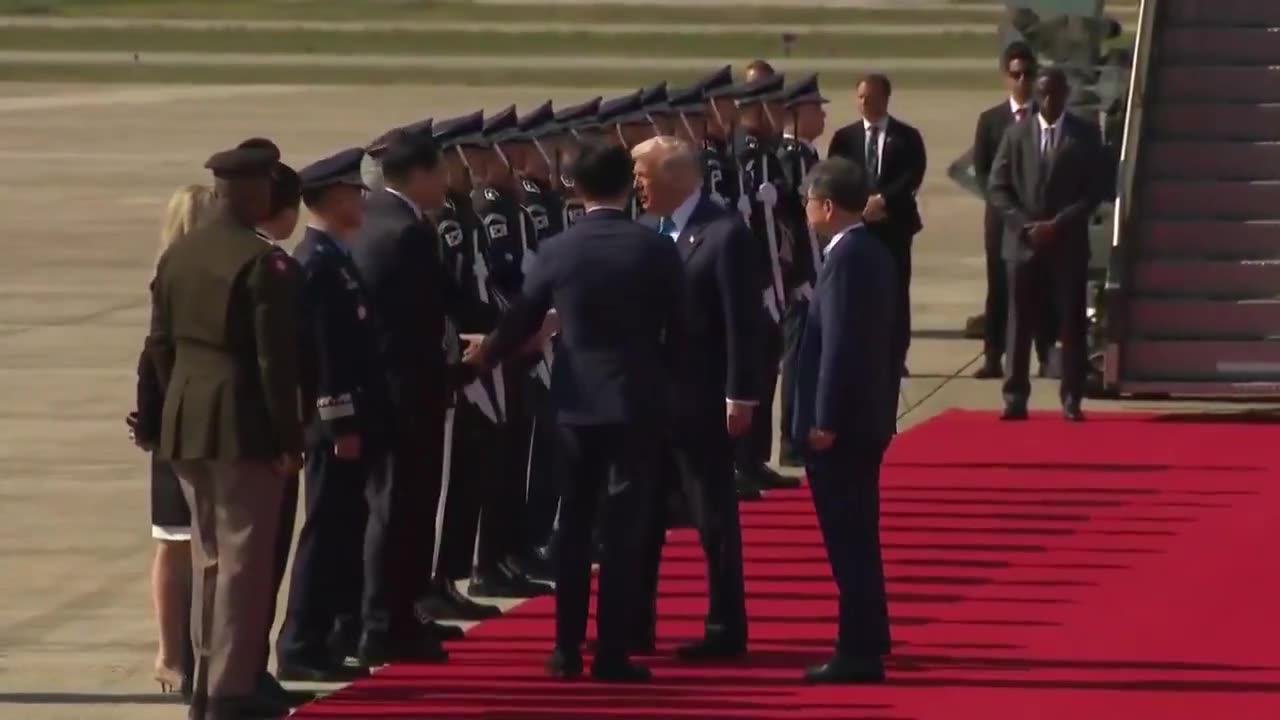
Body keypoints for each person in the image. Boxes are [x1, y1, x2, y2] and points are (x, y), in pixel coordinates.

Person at [464, 140, 683, 683]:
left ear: (576, 189)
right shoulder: (654, 247)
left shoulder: (560, 249)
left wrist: (483, 357)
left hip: (576, 404)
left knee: (576, 525)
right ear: (625, 186)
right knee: (624, 530)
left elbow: (522, 317)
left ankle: (565, 647)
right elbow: (685, 326)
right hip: (636, 402)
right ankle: (612, 651)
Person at [148, 140, 302, 720]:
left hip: (188, 421)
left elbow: (160, 345)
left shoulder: (181, 253)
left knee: (209, 557)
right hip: (243, 427)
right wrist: (289, 440)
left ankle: (202, 684)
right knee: (243, 563)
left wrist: (178, 403)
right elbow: (274, 363)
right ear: (256, 192)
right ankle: (231, 693)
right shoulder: (260, 261)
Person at [350, 127, 473, 665]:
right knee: (400, 509)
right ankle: (387, 623)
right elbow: (421, 321)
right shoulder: (405, 232)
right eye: (440, 171)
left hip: (388, 391)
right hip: (406, 393)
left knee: (398, 508)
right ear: (420, 176)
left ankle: (396, 615)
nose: (446, 181)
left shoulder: (375, 219)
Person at [633, 136, 757, 660]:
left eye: (642, 177)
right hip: (646, 403)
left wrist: (740, 394)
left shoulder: (724, 234)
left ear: (674, 179)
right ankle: (635, 625)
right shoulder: (642, 231)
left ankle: (725, 628)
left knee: (712, 520)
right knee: (639, 519)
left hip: (702, 402)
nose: (636, 187)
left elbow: (743, 324)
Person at [275, 148, 381, 682]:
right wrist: (340, 423)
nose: (363, 200)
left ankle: (329, 635)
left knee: (343, 528)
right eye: (355, 193)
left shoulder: (335, 256)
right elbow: (321, 357)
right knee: (325, 530)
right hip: (332, 425)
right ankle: (299, 641)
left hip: (350, 418)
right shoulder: (315, 264)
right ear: (335, 199)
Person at [792, 157, 897, 684]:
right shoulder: (873, 252)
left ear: (828, 206)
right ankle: (872, 631)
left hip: (845, 426)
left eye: (809, 201)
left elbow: (838, 346)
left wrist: (825, 418)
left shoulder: (847, 258)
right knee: (861, 533)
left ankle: (857, 649)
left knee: (848, 538)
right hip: (869, 417)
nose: (806, 211)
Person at [131, 184, 217, 699]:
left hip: (187, 421)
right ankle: (170, 651)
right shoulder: (175, 278)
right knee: (176, 540)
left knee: (186, 542)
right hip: (180, 423)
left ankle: (188, 649)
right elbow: (155, 356)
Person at [987, 67, 1103, 422]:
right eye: (1044, 94)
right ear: (1037, 96)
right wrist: (1025, 225)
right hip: (1023, 245)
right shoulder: (1016, 134)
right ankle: (1015, 396)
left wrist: (1058, 225)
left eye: (1055, 93)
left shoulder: (1084, 135)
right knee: (1019, 322)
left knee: (1071, 323)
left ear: (1066, 94)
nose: (1049, 100)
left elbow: (1095, 189)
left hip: (1066, 244)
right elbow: (997, 186)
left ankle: (1071, 397)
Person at [827, 73, 926, 382]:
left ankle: (896, 356)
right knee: (857, 293)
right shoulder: (845, 139)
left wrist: (883, 200)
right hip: (858, 228)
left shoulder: (907, 137)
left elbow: (913, 175)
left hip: (893, 227)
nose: (864, 102)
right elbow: (836, 176)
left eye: (869, 96)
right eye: (859, 97)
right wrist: (859, 206)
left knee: (895, 293)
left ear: (885, 98)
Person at [972, 42, 1059, 380]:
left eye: (1028, 74)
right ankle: (994, 356)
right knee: (999, 288)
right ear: (1006, 77)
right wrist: (1006, 207)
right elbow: (982, 172)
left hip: (1040, 218)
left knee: (1043, 288)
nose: (1022, 81)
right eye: (1016, 74)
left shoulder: (1046, 118)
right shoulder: (991, 121)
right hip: (1003, 221)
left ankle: (1046, 353)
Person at [733, 72, 795, 497]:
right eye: (771, 106)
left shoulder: (768, 152)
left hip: (772, 275)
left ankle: (755, 458)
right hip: (755, 276)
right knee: (752, 373)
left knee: (766, 369)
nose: (778, 115)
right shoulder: (750, 155)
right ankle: (743, 461)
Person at [776, 73, 828, 468]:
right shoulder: (789, 157)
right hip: (799, 277)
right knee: (796, 356)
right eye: (815, 109)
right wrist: (798, 276)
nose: (822, 116)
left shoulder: (806, 155)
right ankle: (792, 438)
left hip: (812, 270)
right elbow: (791, 224)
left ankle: (802, 430)